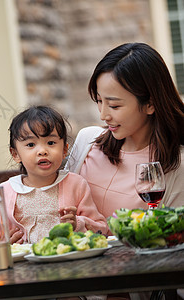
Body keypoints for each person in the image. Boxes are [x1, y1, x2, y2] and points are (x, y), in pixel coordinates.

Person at [0, 105, 108, 248]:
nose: (42, 151)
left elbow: (101, 228)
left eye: (51, 142)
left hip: (66, 263)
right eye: (30, 145)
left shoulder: (75, 184)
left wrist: (77, 224)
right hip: (23, 269)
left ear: (64, 150)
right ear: (15, 154)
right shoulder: (3, 191)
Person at [66, 42, 184, 218]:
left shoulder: (176, 164)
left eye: (114, 105)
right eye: (99, 101)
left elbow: (170, 236)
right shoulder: (87, 141)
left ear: (150, 104)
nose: (103, 115)